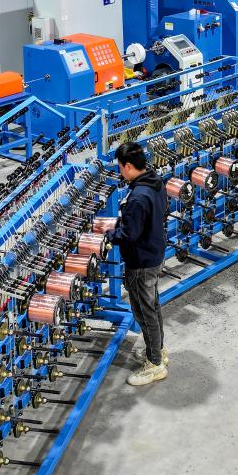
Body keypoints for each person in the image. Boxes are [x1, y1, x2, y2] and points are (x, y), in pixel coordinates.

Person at [107, 141, 169, 386]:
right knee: (152, 306)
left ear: (129, 166)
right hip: (155, 254)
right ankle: (158, 351)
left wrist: (109, 234)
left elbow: (128, 235)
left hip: (141, 262)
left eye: (120, 167)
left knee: (144, 312)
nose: (120, 172)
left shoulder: (138, 197)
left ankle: (154, 364)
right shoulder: (155, 182)